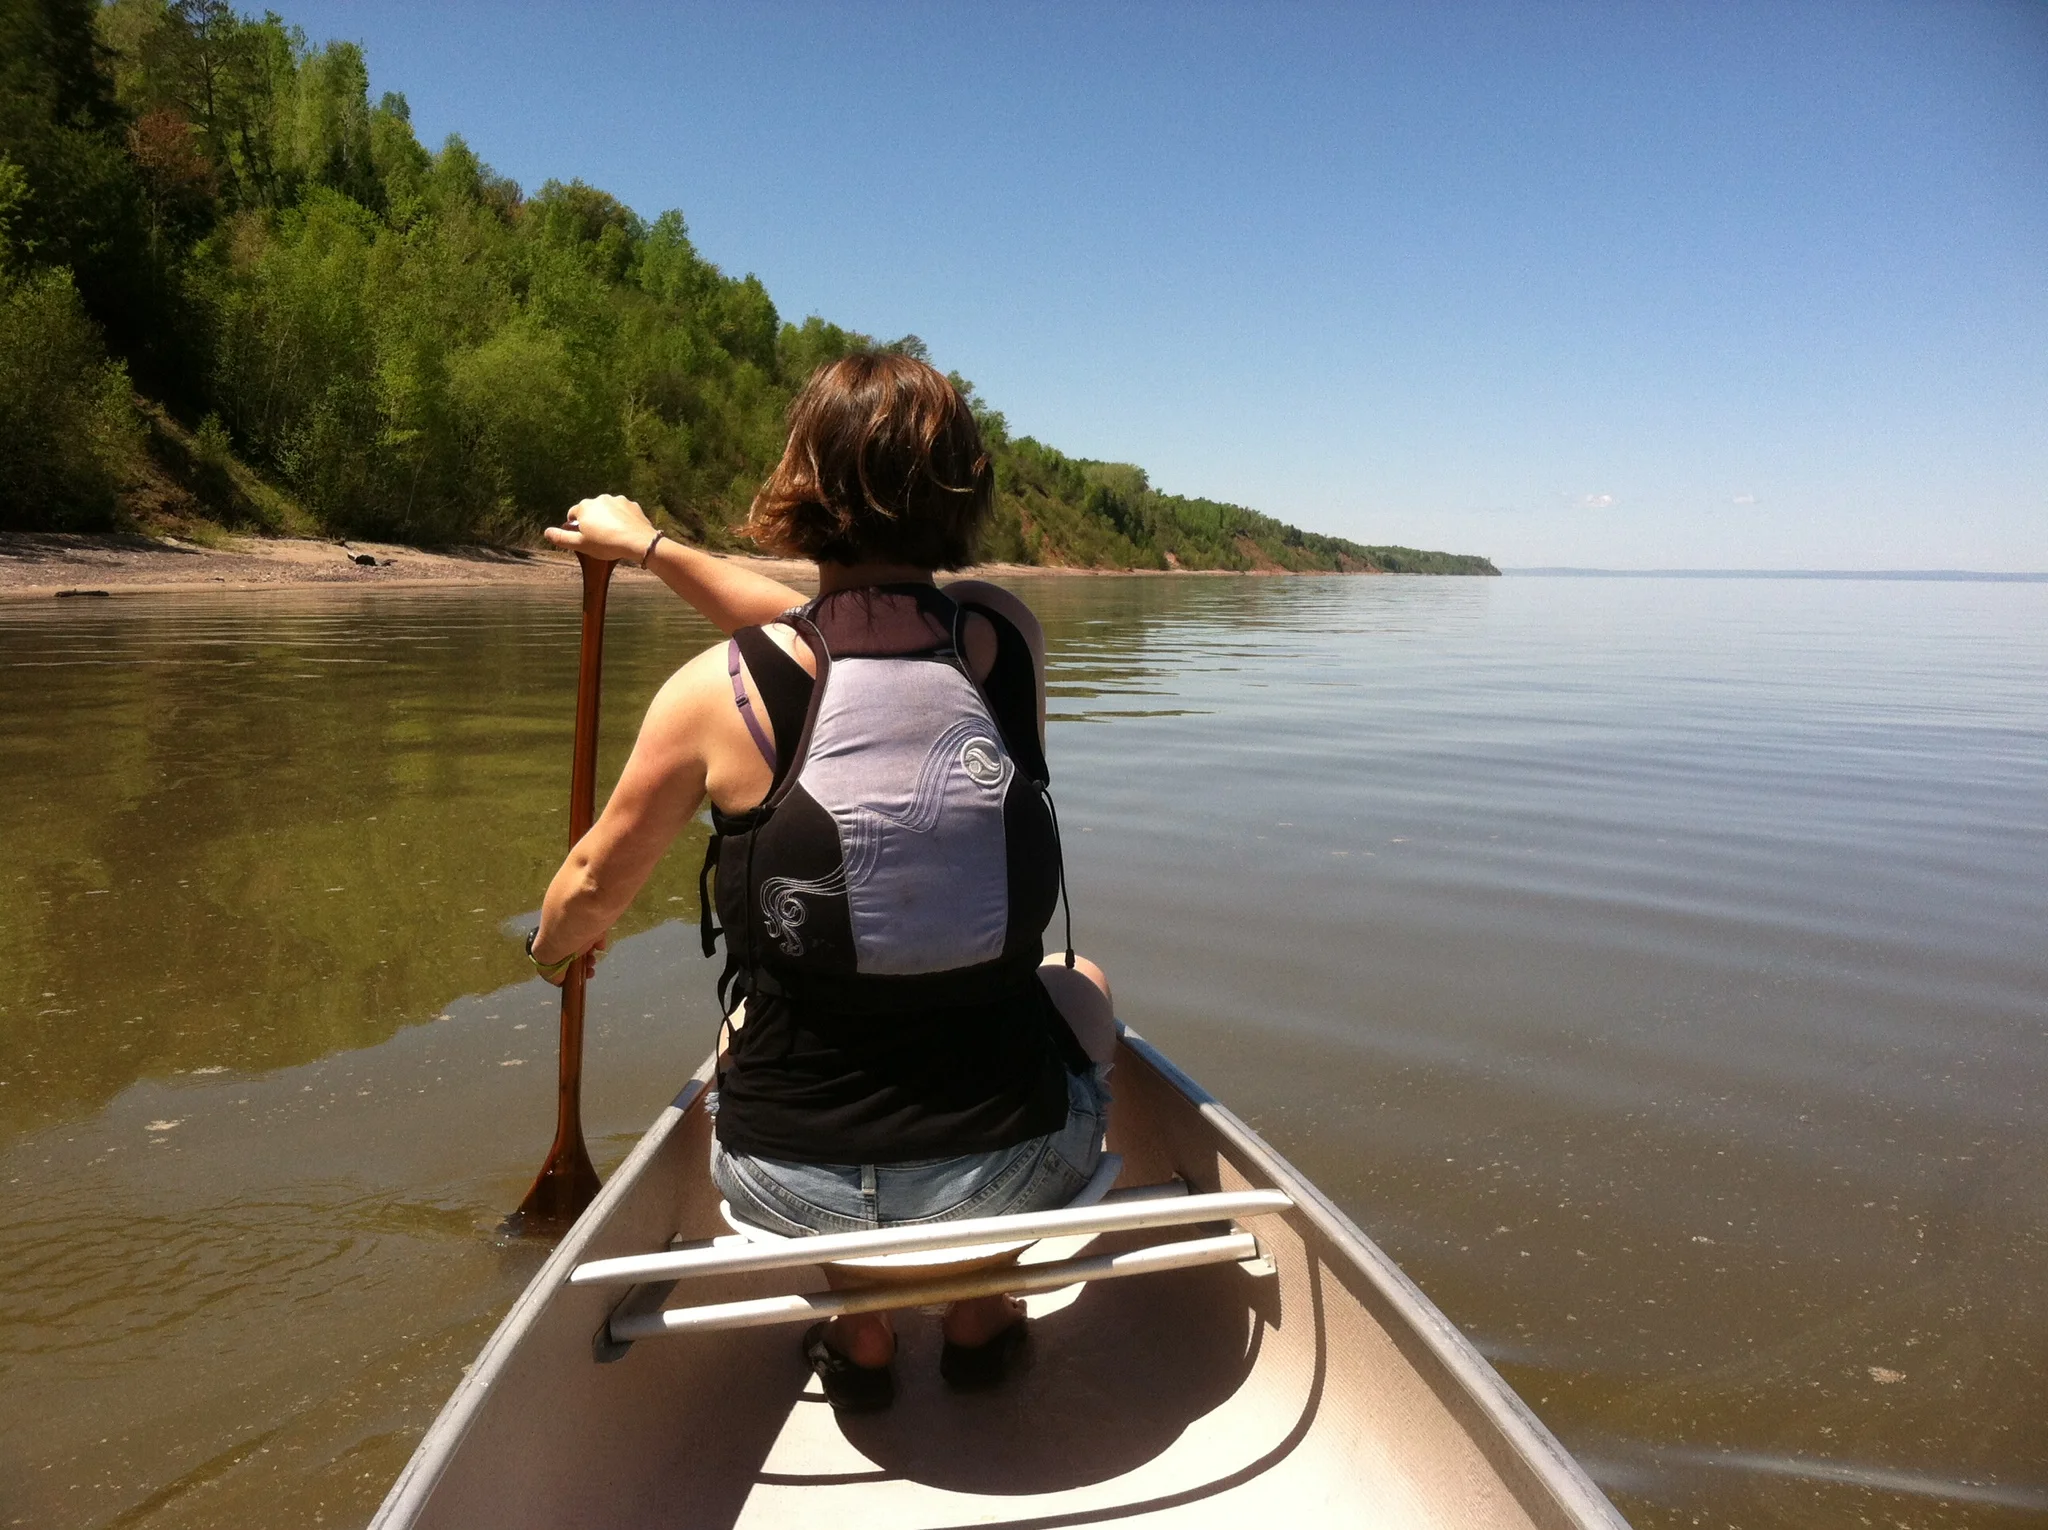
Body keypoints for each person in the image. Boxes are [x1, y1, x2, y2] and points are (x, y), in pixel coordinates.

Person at [525, 352, 1116, 1413]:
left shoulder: (712, 692)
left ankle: (859, 1328)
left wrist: (554, 951)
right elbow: (857, 640)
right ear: (965, 492)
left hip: (790, 1189)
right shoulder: (1005, 642)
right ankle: (981, 1314)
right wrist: (654, 551)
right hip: (1012, 1174)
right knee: (1078, 976)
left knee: (742, 1028)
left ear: (799, 482)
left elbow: (586, 890)